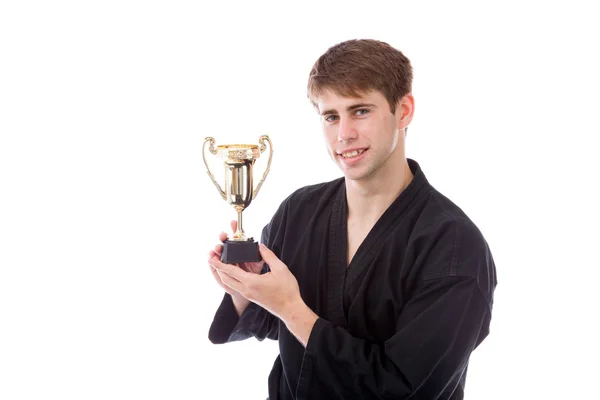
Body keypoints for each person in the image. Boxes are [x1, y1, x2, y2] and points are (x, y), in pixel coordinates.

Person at [207, 38, 497, 400]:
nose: (344, 134)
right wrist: (245, 292)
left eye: (360, 111)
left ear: (403, 110)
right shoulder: (299, 210)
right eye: (331, 116)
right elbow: (274, 322)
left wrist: (292, 309)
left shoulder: (454, 246)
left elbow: (403, 388)